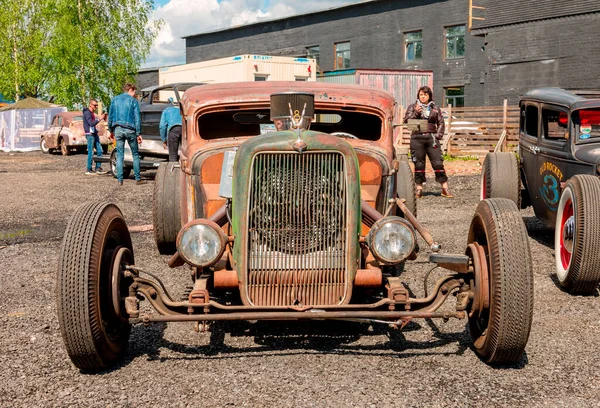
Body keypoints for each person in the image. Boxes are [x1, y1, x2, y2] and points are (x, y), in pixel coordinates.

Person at [403, 86, 452, 198]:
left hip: (431, 138)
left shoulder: (435, 108)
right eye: (421, 94)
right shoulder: (412, 107)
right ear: (418, 96)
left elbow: (441, 123)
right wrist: (415, 112)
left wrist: (438, 136)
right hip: (417, 137)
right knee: (419, 164)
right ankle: (419, 190)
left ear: (429, 96)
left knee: (438, 162)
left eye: (425, 94)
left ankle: (445, 188)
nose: (423, 96)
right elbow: (406, 120)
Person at [108, 83, 145, 185]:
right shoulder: (133, 101)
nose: (134, 94)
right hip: (130, 130)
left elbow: (110, 116)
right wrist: (138, 133)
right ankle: (138, 178)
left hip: (118, 129)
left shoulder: (114, 100)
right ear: (130, 90)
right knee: (135, 154)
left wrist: (110, 130)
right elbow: (137, 118)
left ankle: (120, 179)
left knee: (120, 155)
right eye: (134, 92)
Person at [82, 99, 106, 175]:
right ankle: (88, 169)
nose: (96, 107)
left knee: (100, 151)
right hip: (89, 135)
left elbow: (92, 125)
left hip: (94, 134)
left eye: (97, 105)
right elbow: (91, 124)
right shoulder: (87, 113)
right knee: (91, 152)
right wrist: (99, 119)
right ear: (90, 105)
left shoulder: (91, 113)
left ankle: (98, 168)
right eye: (95, 105)